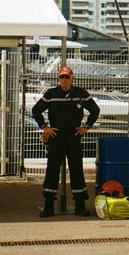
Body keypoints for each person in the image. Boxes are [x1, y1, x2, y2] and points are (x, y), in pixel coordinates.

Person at [32, 65, 100, 218]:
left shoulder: (80, 93)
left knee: (76, 169)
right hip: (56, 136)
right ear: (58, 78)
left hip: (74, 136)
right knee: (52, 169)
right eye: (61, 77)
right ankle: (49, 205)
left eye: (67, 77)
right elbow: (36, 110)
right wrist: (45, 127)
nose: (64, 80)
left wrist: (86, 127)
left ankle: (80, 205)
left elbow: (95, 110)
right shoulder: (51, 94)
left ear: (72, 78)